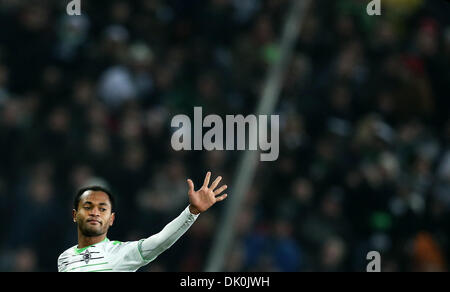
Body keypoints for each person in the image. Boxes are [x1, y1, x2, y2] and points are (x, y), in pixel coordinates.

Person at [57, 172, 228, 272]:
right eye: (88, 206)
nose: (94, 213)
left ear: (111, 220)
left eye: (102, 209)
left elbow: (161, 241)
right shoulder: (65, 258)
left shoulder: (120, 253)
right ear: (75, 215)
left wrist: (192, 212)